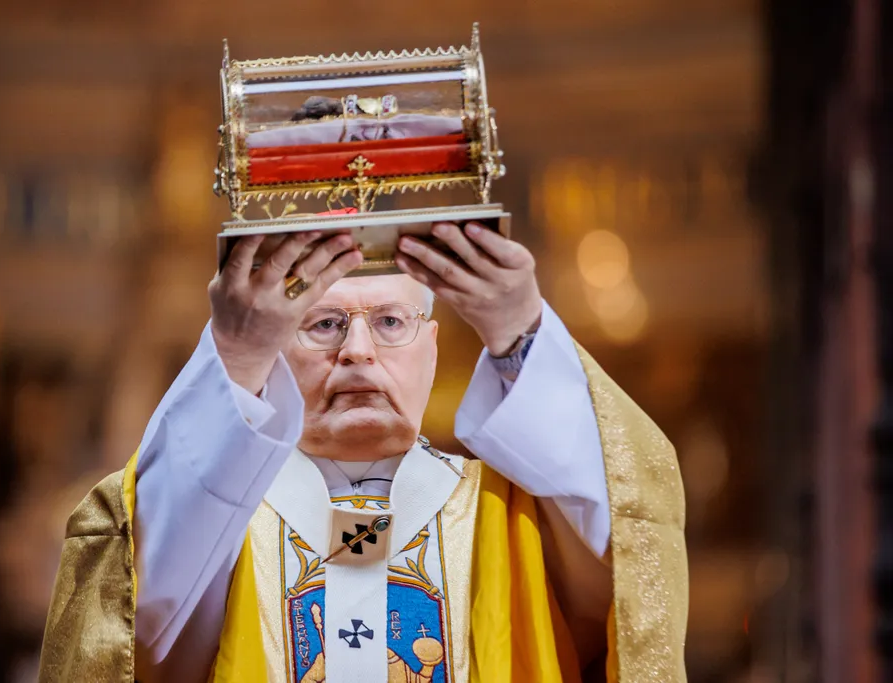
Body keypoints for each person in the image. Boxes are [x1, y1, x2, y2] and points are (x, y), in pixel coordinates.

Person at [39, 223, 688, 682]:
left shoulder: (516, 511)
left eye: (389, 321)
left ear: (433, 347)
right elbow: (128, 615)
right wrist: (233, 359)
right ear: (276, 343)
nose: (357, 350)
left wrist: (521, 333)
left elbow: (635, 535)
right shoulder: (218, 518)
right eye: (322, 324)